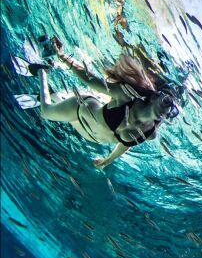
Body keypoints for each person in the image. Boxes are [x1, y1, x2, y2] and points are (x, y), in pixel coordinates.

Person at [36, 37, 181, 169]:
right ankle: (43, 70)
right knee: (45, 111)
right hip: (80, 110)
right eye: (168, 101)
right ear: (156, 95)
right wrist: (62, 56)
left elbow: (125, 144)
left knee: (58, 102)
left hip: (88, 135)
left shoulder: (150, 134)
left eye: (173, 110)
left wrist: (107, 160)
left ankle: (56, 94)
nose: (168, 109)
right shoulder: (126, 96)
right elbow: (89, 79)